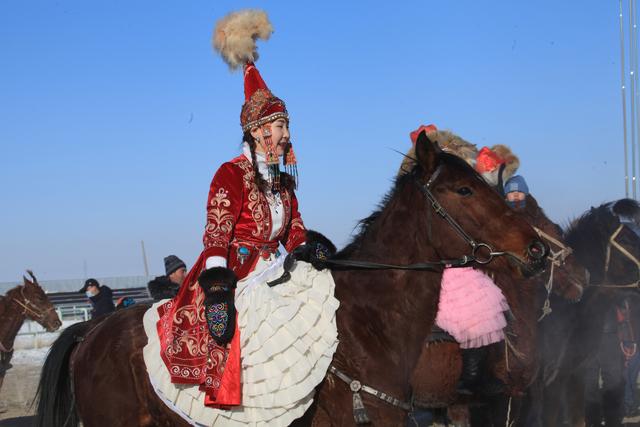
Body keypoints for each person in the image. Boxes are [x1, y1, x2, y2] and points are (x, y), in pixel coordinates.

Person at [142, 10, 339, 425]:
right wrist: (217, 285)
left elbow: (294, 228)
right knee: (239, 337)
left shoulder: (283, 181)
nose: (285, 135)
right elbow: (216, 233)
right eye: (278, 127)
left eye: (286, 126)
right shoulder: (230, 173)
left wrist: (308, 248)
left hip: (273, 267)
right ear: (256, 132)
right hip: (234, 271)